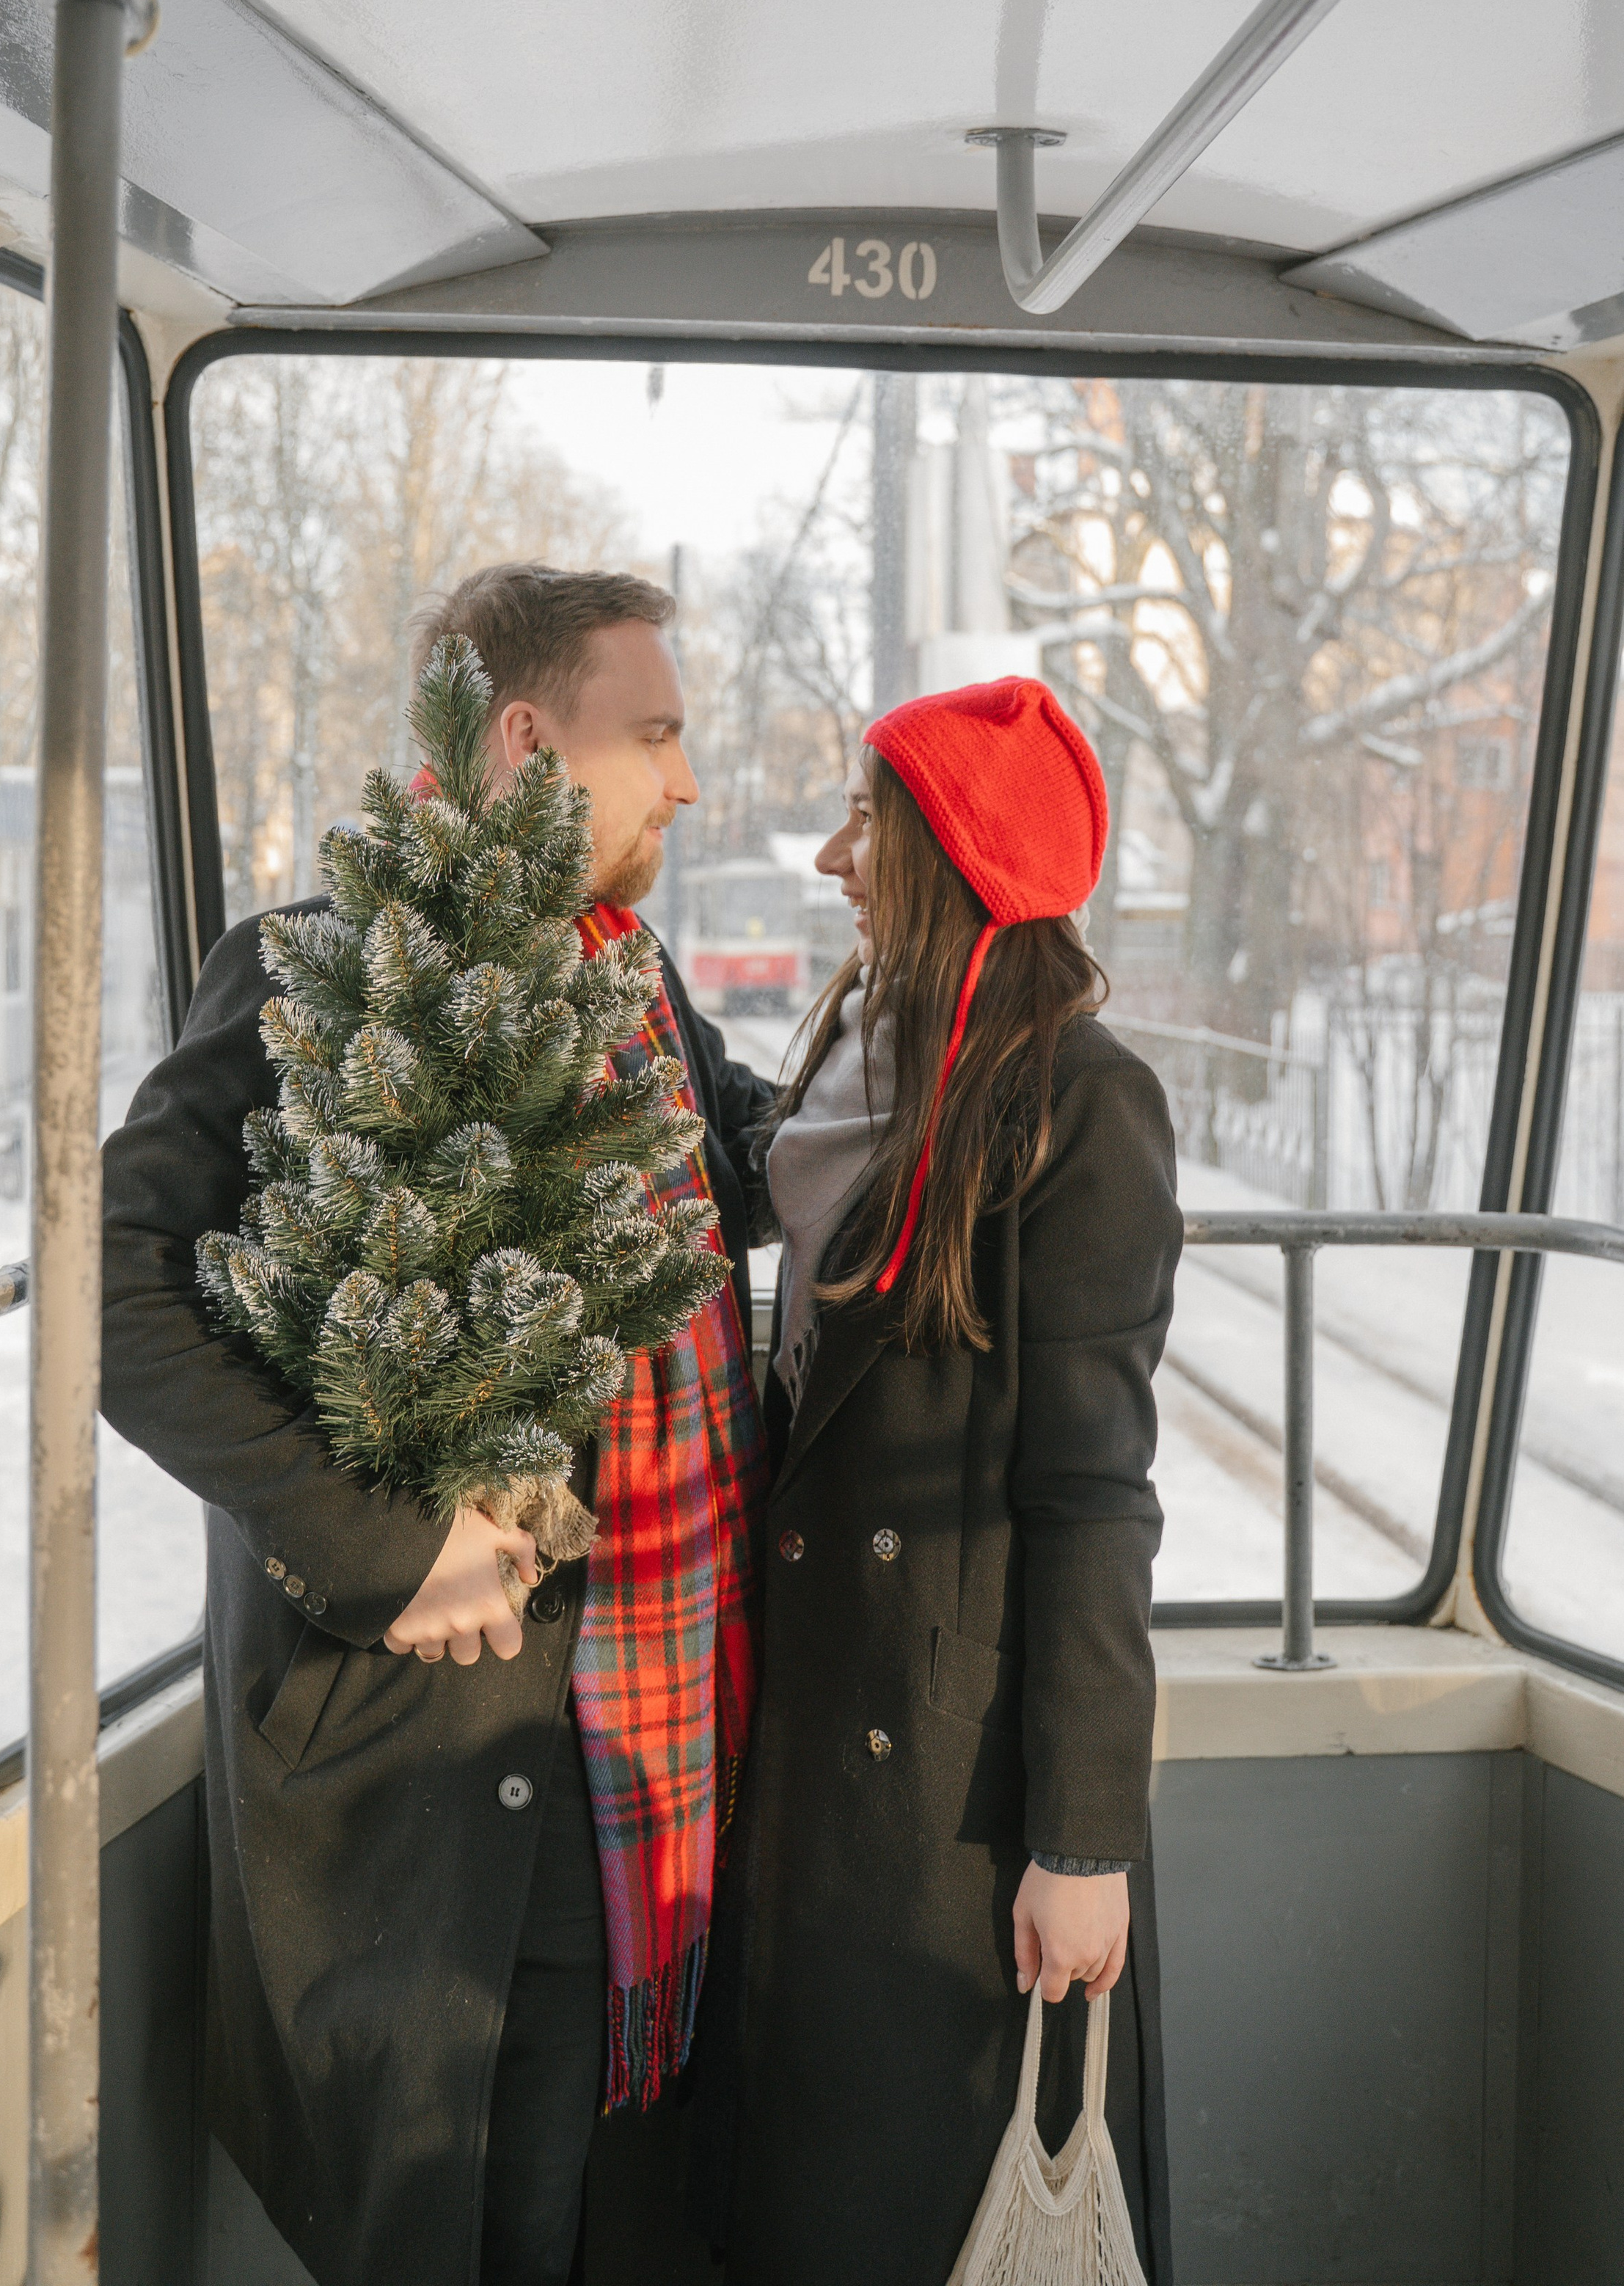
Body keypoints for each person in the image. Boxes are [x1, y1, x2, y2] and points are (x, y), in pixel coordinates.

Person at [100, 564, 773, 2286]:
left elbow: (741, 1160)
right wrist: (384, 1550)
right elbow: (112, 1289)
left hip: (647, 1739)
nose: (683, 784)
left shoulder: (632, 979)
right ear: (527, 739)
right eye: (657, 735)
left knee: (584, 2212)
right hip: (436, 1753)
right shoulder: (312, 977)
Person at [717, 676, 1181, 2286]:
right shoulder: (858, 1039)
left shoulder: (1080, 1101)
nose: (836, 855)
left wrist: (1085, 1840)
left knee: (914, 2205)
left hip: (951, 1780)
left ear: (941, 854)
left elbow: (1091, 1494)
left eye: (868, 821)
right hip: (802, 1695)